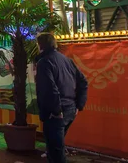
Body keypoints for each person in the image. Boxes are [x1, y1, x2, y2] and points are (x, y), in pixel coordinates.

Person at [35, 33, 88, 163]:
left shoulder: (44, 62)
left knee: (56, 152)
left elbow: (50, 89)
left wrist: (56, 111)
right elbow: (83, 81)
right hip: (69, 109)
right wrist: (78, 105)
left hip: (56, 113)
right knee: (56, 148)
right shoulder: (66, 60)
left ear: (40, 45)